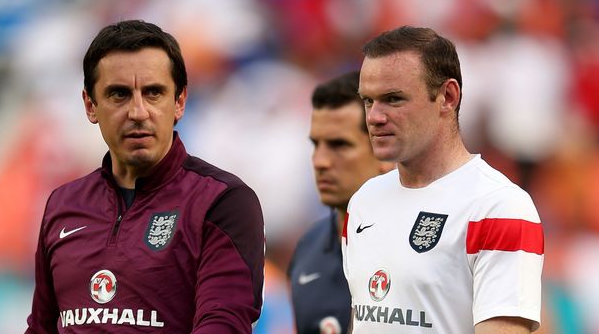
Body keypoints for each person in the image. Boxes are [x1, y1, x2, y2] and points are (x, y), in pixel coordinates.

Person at [25, 20, 265, 333]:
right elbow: (41, 327)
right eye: (118, 95)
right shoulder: (62, 204)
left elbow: (223, 324)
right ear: (90, 105)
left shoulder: (223, 201)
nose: (138, 112)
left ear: (179, 102)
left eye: (153, 93)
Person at [342, 26, 544, 333]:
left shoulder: (499, 207)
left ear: (448, 97)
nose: (374, 117)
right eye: (368, 101)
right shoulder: (363, 202)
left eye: (393, 99)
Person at [288, 71, 394, 334]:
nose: (320, 161)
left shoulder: (420, 248)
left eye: (339, 145)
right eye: (316, 144)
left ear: (384, 152)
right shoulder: (307, 247)